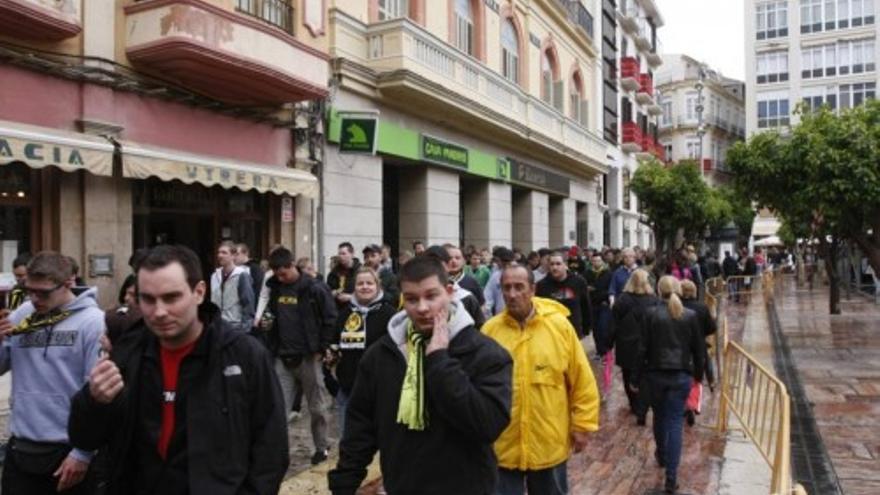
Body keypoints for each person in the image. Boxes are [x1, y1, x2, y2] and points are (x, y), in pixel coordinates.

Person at [67, 245, 288, 494]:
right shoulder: (128, 352)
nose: (159, 312)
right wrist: (94, 402)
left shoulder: (243, 355)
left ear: (199, 292)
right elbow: (85, 438)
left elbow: (271, 448)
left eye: (171, 298)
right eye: (148, 299)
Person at [328, 256, 512, 495]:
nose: (422, 308)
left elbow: (488, 424)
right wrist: (344, 483)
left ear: (448, 292)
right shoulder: (382, 355)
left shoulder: (484, 352)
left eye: (431, 296)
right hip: (404, 485)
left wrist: (440, 362)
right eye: (412, 299)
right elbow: (360, 426)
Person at [483, 264, 599, 495]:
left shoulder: (559, 327)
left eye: (519, 287)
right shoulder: (489, 331)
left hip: (548, 441)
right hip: (503, 445)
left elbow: (581, 378)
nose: (512, 294)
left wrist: (583, 424)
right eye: (507, 288)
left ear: (533, 289)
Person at [0, 252, 104, 494]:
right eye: (29, 290)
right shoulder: (23, 314)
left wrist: (83, 452)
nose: (34, 298)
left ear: (68, 283)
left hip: (68, 451)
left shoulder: (93, 322)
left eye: (43, 292)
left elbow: (98, 395)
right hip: (21, 447)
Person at [266, 247, 338, 465]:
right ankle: (278, 451)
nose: (281, 278)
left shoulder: (314, 288)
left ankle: (321, 446)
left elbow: (330, 318)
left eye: (283, 273)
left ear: (291, 265)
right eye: (276, 275)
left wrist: (322, 347)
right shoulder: (275, 288)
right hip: (283, 356)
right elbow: (272, 315)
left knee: (316, 407)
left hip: (308, 356)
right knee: (278, 409)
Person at [634, 276, 706, 494]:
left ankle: (663, 455)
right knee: (675, 423)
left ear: (658, 290)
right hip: (681, 375)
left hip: (655, 374)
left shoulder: (651, 314)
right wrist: (698, 376)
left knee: (659, 416)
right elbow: (699, 350)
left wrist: (635, 377)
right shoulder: (689, 315)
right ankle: (671, 476)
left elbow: (642, 348)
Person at [332, 267, 396, 432]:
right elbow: (333, 344)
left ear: (377, 286)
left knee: (383, 442)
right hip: (349, 389)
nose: (365, 287)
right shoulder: (344, 314)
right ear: (354, 287)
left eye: (369, 283)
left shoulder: (389, 314)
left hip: (380, 390)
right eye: (360, 283)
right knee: (348, 441)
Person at [607, 269, 659, 426]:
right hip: (647, 343)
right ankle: (642, 405)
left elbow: (613, 323)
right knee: (644, 374)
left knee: (627, 374)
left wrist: (609, 343)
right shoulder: (653, 299)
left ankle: (634, 403)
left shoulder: (623, 299)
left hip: (626, 342)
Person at [681, 279, 717, 426]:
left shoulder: (677, 306)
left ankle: (683, 403)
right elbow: (712, 327)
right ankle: (693, 405)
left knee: (683, 375)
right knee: (697, 376)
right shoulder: (702, 307)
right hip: (699, 346)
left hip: (681, 346)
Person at [423, 245, 485, 328]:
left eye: (457, 258)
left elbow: (480, 313)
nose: (453, 261)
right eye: (450, 258)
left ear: (464, 260)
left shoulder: (467, 293)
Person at [535, 251, 592, 338]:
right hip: (551, 333)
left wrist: (586, 328)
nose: (555, 267)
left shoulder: (578, 282)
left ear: (565, 265)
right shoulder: (542, 285)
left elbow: (585, 306)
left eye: (558, 264)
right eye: (552, 264)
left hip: (573, 332)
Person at [209, 241, 255, 333]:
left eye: (224, 253)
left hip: (235, 326)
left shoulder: (242, 275)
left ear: (233, 255)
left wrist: (245, 330)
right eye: (219, 252)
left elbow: (248, 304)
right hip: (217, 325)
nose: (220, 255)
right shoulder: (214, 276)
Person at [584, 253, 612, 358]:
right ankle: (599, 351)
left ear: (602, 262)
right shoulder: (587, 273)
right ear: (591, 262)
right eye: (594, 261)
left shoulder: (608, 273)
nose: (596, 263)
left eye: (598, 261)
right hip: (592, 304)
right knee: (595, 329)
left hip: (604, 304)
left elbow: (609, 289)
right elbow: (584, 287)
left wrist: (604, 296)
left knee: (603, 327)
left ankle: (605, 350)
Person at [327, 242, 361, 309]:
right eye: (339, 254)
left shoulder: (360, 271)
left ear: (352, 254)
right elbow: (328, 290)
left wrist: (351, 297)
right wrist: (334, 293)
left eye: (343, 254)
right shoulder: (334, 272)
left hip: (356, 308)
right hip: (338, 309)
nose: (341, 256)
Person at [484, 247, 516, 316]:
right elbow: (487, 298)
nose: (507, 265)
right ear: (500, 262)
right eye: (504, 262)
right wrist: (487, 316)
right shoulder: (495, 277)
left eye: (508, 262)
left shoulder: (522, 275)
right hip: (501, 316)